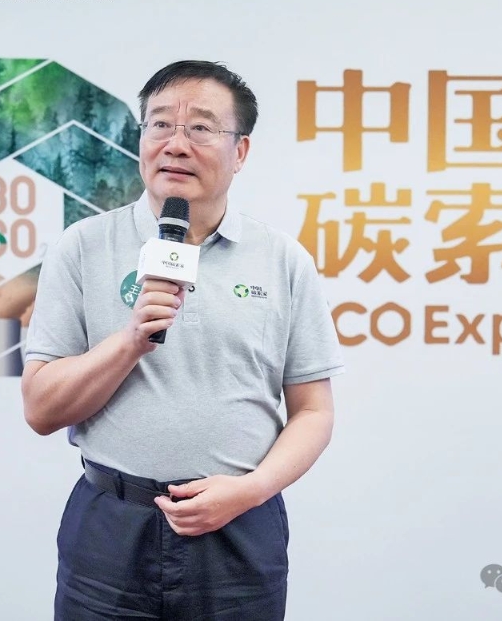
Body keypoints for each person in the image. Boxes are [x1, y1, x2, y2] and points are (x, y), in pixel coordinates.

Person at [21, 60, 345, 620]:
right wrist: (130, 341)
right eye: (160, 125)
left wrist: (250, 491)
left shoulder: (282, 259)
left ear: (240, 151)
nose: (175, 144)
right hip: (111, 527)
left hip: (238, 529)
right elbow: (40, 409)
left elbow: (313, 411)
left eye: (200, 127)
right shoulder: (83, 246)